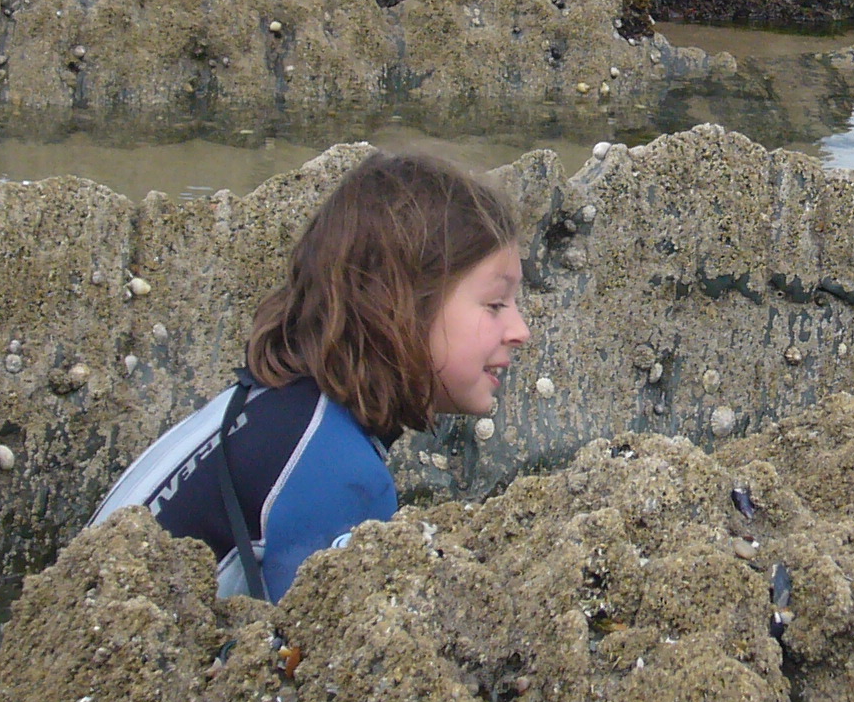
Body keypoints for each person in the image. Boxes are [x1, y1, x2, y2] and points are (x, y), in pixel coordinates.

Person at [90, 149, 530, 600]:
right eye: (495, 304)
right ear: (397, 307)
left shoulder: (275, 407)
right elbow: (323, 639)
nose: (521, 331)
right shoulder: (338, 475)